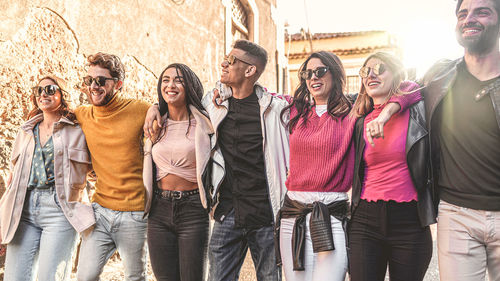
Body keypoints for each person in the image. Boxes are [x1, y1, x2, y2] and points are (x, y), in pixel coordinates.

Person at [145, 39, 289, 281]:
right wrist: (152, 107)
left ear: (250, 70)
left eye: (231, 60)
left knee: (269, 277)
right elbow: (177, 104)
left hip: (265, 213)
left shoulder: (275, 110)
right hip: (228, 212)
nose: (223, 63)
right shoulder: (212, 105)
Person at [275, 51, 420, 281]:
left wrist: (386, 114)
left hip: (332, 214)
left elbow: (412, 87)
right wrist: (219, 93)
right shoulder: (294, 110)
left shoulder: (353, 110)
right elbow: (258, 97)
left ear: (335, 74)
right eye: (307, 73)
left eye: (320, 71)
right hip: (294, 216)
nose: (313, 77)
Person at [422, 0, 500, 279]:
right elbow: (403, 94)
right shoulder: (438, 78)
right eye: (463, 13)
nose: (469, 19)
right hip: (457, 215)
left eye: (482, 11)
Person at [349, 52, 435, 281]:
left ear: (395, 74)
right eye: (366, 71)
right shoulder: (359, 120)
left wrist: (386, 114)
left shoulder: (417, 111)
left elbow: (415, 86)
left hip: (410, 220)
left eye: (380, 68)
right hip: (365, 219)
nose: (371, 74)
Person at [0, 76, 95, 281]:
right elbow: (12, 180)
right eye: (39, 90)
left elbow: (97, 173)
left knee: (50, 277)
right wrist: (3, 221)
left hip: (61, 210)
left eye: (50, 89)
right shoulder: (25, 131)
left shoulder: (78, 131)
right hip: (23, 209)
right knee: (14, 277)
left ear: (63, 94)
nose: (43, 94)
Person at [75, 52, 151, 281]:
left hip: (135, 213)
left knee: (134, 277)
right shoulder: (82, 114)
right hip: (100, 213)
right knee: (85, 276)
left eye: (101, 80)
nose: (93, 86)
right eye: (89, 80)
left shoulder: (141, 110)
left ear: (117, 84)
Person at [143, 63, 212, 281]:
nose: (170, 85)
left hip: (193, 210)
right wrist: (154, 107)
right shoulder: (155, 123)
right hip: (159, 210)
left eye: (178, 80)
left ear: (189, 86)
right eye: (165, 80)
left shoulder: (205, 122)